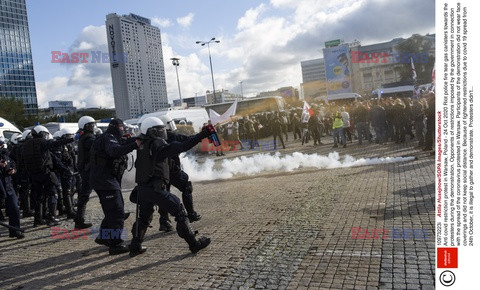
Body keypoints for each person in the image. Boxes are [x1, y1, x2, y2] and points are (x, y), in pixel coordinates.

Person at [128, 117, 213, 257]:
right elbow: (182, 146)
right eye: (160, 130)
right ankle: (194, 244)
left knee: (144, 218)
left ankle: (135, 245)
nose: (163, 132)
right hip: (155, 189)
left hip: (142, 189)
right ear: (152, 131)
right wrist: (202, 135)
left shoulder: (142, 144)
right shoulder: (157, 145)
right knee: (180, 211)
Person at [89, 119, 140, 255]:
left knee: (112, 210)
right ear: (114, 127)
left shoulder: (110, 138)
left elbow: (122, 143)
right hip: (105, 181)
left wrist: (137, 139)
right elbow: (114, 151)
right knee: (117, 211)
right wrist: (135, 144)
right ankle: (115, 244)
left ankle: (104, 237)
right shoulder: (108, 138)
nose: (122, 129)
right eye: (121, 127)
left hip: (106, 180)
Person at [156, 115, 203, 232]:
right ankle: (191, 214)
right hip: (172, 170)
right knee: (186, 186)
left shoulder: (151, 140)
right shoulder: (172, 136)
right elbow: (187, 140)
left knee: (163, 195)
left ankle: (164, 221)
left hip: (159, 172)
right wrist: (202, 135)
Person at [22, 125, 74, 226]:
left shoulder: (26, 144)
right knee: (53, 193)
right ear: (41, 133)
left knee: (39, 197)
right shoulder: (41, 142)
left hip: (33, 175)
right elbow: (55, 143)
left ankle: (37, 219)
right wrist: (70, 139)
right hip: (45, 173)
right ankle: (52, 217)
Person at [74, 116, 97, 229]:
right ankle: (116, 215)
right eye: (91, 125)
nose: (93, 127)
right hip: (89, 171)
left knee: (84, 196)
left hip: (86, 170)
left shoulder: (84, 137)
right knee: (106, 192)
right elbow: (97, 147)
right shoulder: (88, 138)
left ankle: (79, 220)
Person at [0, 149, 24, 239]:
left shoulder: (5, 154)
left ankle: (15, 230)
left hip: (8, 186)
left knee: (14, 208)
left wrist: (12, 169)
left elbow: (12, 163)